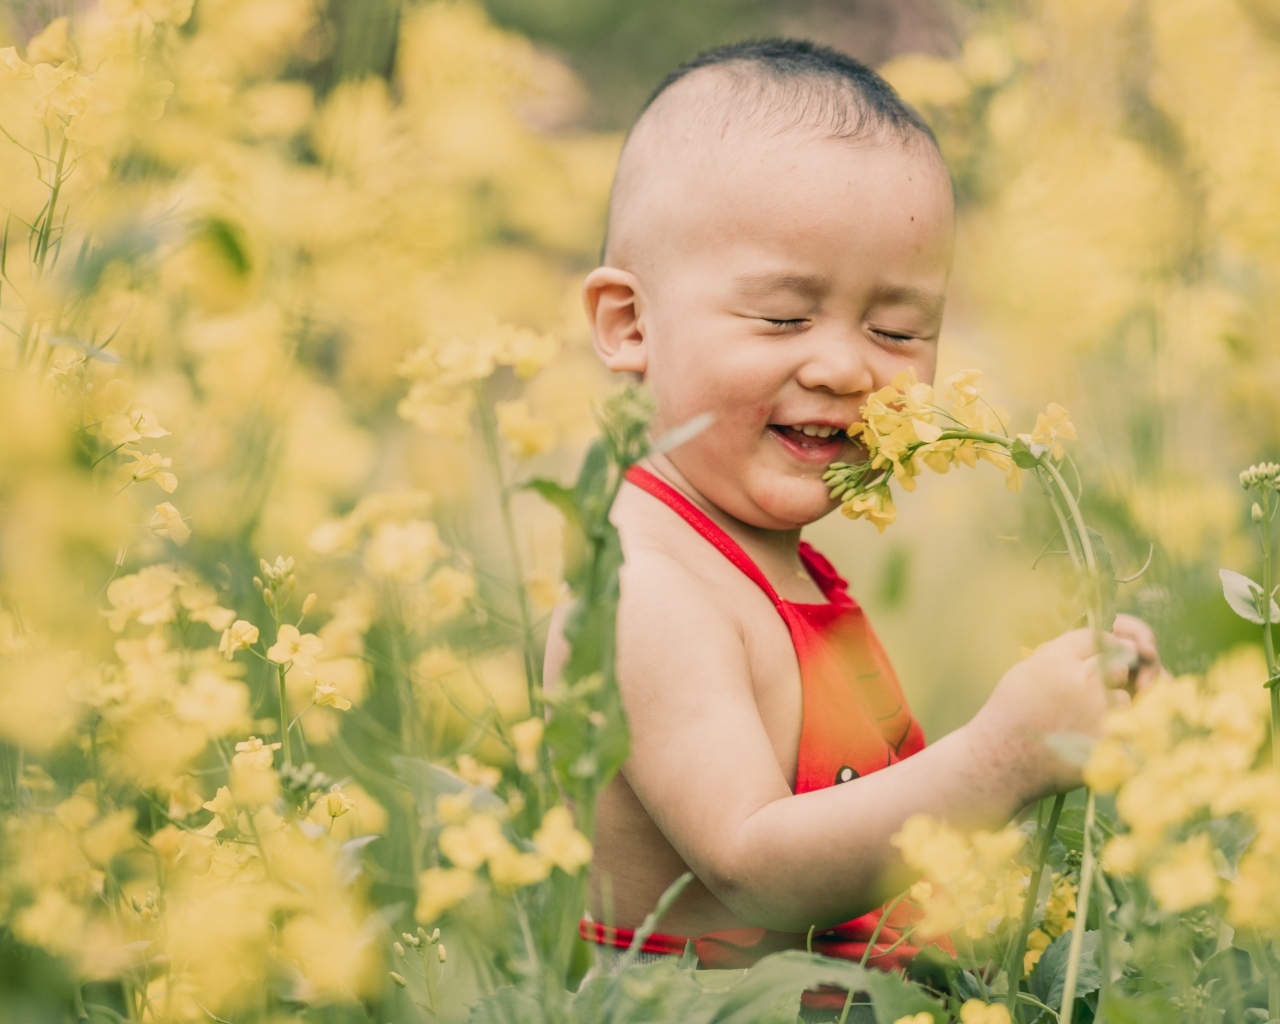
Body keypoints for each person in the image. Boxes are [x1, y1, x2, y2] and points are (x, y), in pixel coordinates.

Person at [543, 37, 1159, 1014]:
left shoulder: (777, 568)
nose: (843, 368)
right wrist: (999, 755)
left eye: (896, 330)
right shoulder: (644, 585)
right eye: (784, 317)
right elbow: (752, 866)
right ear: (629, 323)